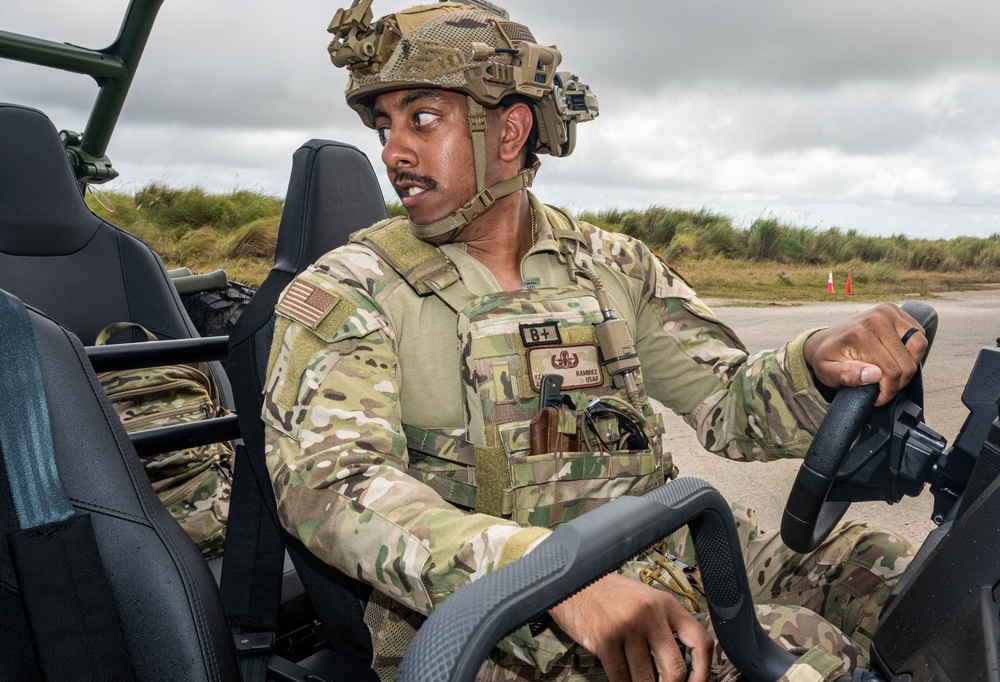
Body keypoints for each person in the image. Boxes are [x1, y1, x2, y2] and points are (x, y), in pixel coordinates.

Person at [261, 2, 926, 680]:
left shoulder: (612, 264)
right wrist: (546, 575)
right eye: (384, 125)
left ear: (511, 130)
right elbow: (330, 485)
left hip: (665, 545)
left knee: (906, 579)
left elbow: (728, 404)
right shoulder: (353, 290)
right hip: (490, 613)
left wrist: (815, 364)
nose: (394, 152)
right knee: (805, 656)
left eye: (422, 118)